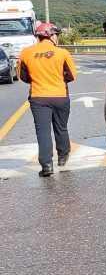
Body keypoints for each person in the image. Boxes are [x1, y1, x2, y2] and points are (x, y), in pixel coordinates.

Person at [18, 21, 76, 178]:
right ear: (50, 36)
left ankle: (47, 165)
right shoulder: (62, 53)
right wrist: (57, 79)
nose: (57, 38)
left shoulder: (26, 53)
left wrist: (38, 79)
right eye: (56, 35)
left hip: (38, 97)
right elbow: (71, 75)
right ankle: (63, 157)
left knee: (43, 131)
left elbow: (22, 76)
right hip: (60, 96)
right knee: (61, 127)